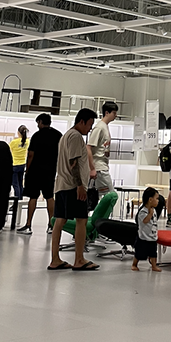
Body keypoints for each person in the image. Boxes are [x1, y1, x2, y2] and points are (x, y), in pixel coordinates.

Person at [48, 108, 100, 272]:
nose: (90, 129)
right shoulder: (76, 136)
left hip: (61, 185)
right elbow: (74, 163)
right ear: (81, 121)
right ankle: (79, 259)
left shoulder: (66, 136)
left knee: (59, 220)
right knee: (81, 220)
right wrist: (80, 186)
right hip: (72, 186)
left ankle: (55, 259)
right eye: (89, 124)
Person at [17, 113, 62, 235]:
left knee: (33, 197)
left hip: (35, 171)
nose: (37, 125)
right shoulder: (58, 135)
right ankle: (51, 225)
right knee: (49, 197)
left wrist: (27, 169)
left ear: (41, 122)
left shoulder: (37, 135)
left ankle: (28, 225)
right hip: (50, 171)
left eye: (38, 122)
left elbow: (31, 154)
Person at [88, 101, 118, 195]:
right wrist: (92, 168)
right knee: (110, 195)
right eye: (114, 113)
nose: (116, 115)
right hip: (99, 167)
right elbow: (88, 147)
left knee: (105, 196)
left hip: (102, 166)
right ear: (107, 113)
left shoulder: (105, 127)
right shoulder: (99, 127)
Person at [132, 187, 161, 272]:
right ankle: (134, 264)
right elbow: (145, 221)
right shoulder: (142, 211)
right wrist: (150, 214)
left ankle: (154, 266)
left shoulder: (154, 210)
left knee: (153, 253)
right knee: (139, 253)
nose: (158, 201)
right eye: (157, 198)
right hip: (143, 238)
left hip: (152, 236)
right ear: (150, 200)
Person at [9, 125, 29, 199]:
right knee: (20, 183)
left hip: (14, 164)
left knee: (15, 184)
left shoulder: (13, 142)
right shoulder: (27, 142)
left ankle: (17, 200)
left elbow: (9, 152)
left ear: (18, 133)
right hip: (23, 164)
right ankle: (20, 199)